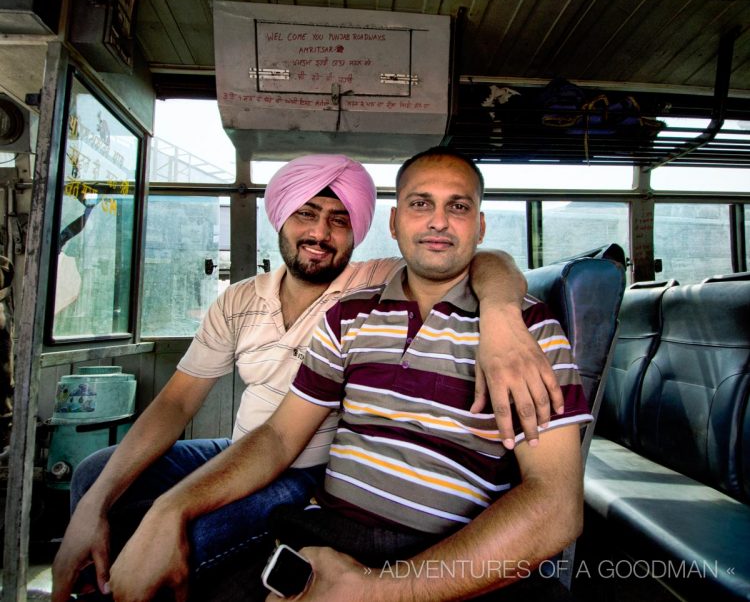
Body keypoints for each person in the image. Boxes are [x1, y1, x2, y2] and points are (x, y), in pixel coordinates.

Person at [52, 153, 563, 602]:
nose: (320, 234)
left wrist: (502, 314)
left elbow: (481, 261)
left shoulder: (375, 278)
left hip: (308, 470)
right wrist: (107, 508)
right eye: (306, 213)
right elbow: (179, 404)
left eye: (339, 220)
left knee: (190, 540)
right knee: (99, 480)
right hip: (245, 450)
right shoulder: (250, 301)